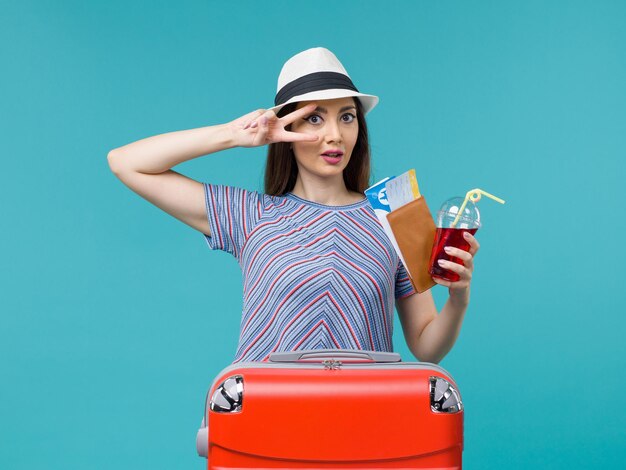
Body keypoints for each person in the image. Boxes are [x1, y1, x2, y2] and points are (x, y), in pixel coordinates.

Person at [107, 47, 479, 364]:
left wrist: (458, 299)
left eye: (346, 117)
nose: (334, 134)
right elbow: (126, 162)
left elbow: (427, 348)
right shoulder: (251, 215)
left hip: (361, 423)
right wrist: (232, 135)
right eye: (314, 118)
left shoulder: (395, 213)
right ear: (286, 130)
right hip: (264, 421)